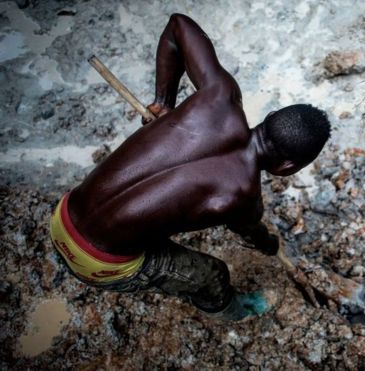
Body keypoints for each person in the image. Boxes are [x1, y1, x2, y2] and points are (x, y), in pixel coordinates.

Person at [49, 14, 330, 321]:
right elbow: (253, 235)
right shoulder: (243, 195)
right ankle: (235, 314)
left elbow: (177, 26)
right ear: (288, 167)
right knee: (213, 274)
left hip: (62, 215)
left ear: (271, 115)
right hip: (97, 264)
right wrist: (270, 244)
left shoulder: (220, 95)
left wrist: (164, 102)